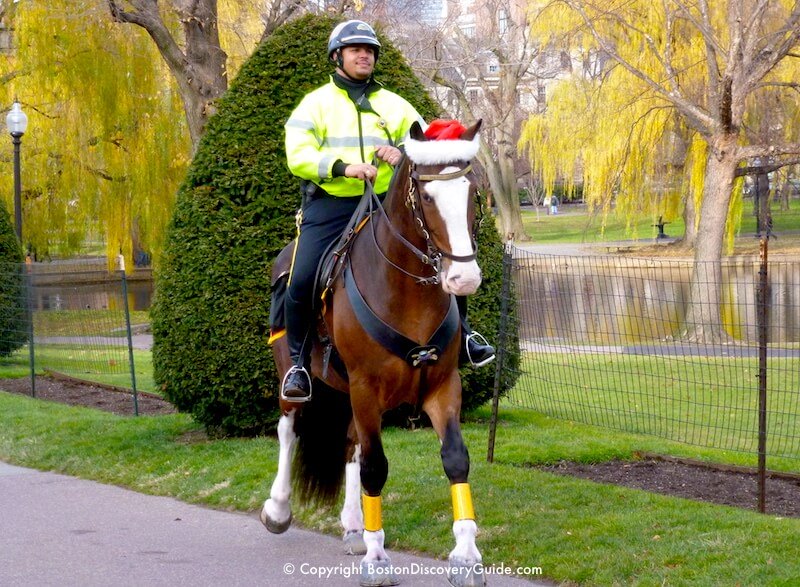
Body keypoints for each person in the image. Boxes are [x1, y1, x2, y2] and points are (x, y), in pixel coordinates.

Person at [281, 20, 495, 401]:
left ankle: (466, 336)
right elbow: (298, 154)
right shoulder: (315, 104)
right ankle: (298, 364)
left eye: (370, 50)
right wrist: (344, 168)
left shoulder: (394, 104)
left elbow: (430, 149)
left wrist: (403, 154)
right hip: (332, 204)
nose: (364, 55)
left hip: (386, 206)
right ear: (337, 57)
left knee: (443, 257)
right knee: (301, 277)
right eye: (355, 50)